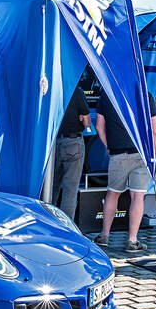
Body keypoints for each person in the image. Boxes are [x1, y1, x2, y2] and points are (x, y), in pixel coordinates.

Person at [93, 92, 156, 252]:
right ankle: (132, 240)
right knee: (137, 196)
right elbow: (154, 129)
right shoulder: (144, 94)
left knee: (112, 193)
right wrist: (155, 154)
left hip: (117, 152)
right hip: (141, 152)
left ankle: (104, 235)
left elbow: (99, 126)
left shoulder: (108, 94)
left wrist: (108, 146)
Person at [53, 86, 91, 220]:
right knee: (70, 190)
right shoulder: (77, 91)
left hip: (52, 144)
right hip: (73, 143)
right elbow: (87, 122)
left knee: (51, 188)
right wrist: (81, 118)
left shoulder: (51, 87)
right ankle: (66, 226)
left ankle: (48, 222)